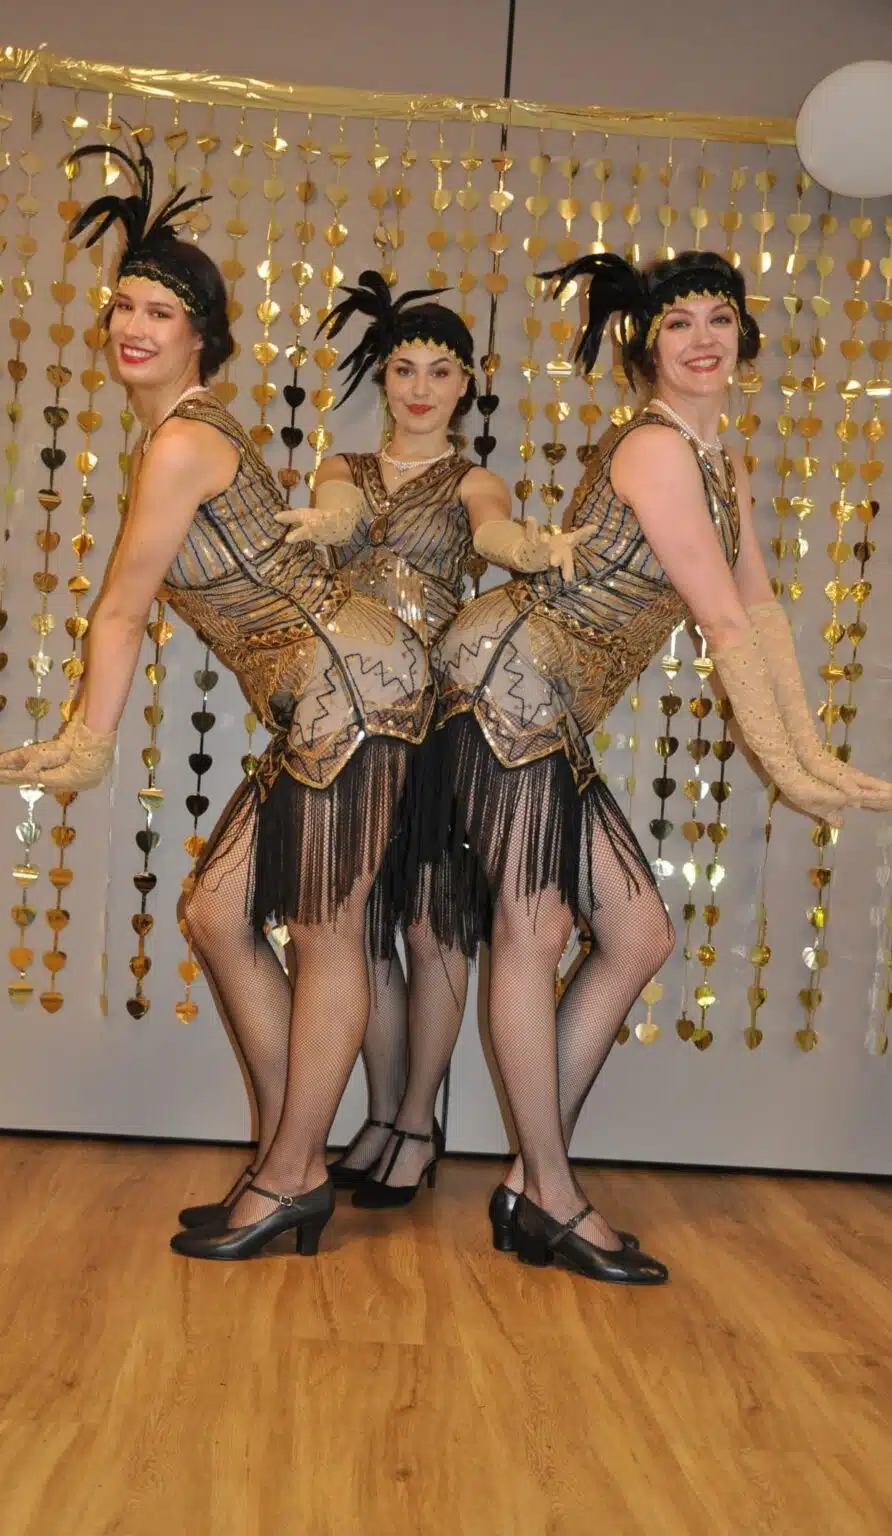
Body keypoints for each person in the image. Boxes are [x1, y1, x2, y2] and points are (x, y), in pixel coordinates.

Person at [0, 135, 435, 1262]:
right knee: (217, 914)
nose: (131, 326)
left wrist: (87, 742)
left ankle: (289, 1176)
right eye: (122, 307)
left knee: (325, 930)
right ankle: (290, 1156)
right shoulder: (179, 433)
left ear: (200, 337)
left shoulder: (183, 440)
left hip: (353, 687)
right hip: (326, 691)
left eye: (159, 313)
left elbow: (121, 609)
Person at [428, 250, 892, 1285]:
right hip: (505, 679)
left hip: (550, 699)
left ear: (743, 337)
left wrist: (809, 752)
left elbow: (757, 607)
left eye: (718, 317)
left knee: (637, 933)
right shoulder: (653, 448)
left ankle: (528, 1180)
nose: (702, 338)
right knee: (535, 932)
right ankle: (551, 1195)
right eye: (678, 322)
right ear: (647, 347)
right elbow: (719, 619)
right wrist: (790, 771)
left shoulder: (716, 459)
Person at [278, 271, 576, 1206]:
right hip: (353, 718)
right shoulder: (343, 468)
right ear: (384, 377)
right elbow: (341, 515)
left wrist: (529, 549)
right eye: (404, 368)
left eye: (439, 371)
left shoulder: (476, 480)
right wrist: (323, 524)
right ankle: (378, 1116)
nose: (419, 387)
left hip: (442, 720)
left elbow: (492, 536)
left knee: (430, 923)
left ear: (466, 383)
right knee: (355, 925)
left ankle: (416, 1122)